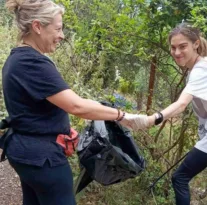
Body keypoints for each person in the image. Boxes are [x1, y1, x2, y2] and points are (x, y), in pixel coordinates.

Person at [2, 0, 146, 205]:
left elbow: (37, 108)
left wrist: (59, 128)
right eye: (58, 28)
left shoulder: (17, 58)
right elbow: (76, 106)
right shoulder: (32, 62)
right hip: (43, 159)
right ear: (37, 27)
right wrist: (123, 116)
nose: (61, 35)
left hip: (26, 153)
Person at [125, 24, 207, 205]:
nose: (177, 52)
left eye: (182, 46)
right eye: (173, 47)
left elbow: (181, 104)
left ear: (195, 44)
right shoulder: (204, 65)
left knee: (179, 178)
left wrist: (151, 119)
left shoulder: (201, 70)